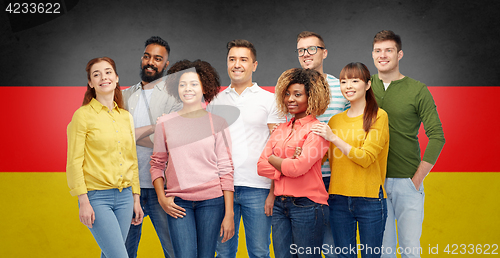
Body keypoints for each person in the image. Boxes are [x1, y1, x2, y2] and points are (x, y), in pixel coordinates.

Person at [370, 30, 445, 258]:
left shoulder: (418, 90)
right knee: (383, 251)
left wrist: (417, 179)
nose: (382, 55)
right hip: (374, 183)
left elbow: (437, 136)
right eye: (377, 51)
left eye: (388, 50)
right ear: (373, 54)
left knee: (411, 249)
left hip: (407, 182)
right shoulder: (363, 85)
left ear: (399, 54)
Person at [207, 39, 285, 258]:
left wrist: (272, 191)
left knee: (259, 252)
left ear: (254, 65)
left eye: (243, 59)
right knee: (223, 252)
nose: (237, 64)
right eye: (232, 59)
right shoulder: (216, 101)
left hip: (258, 188)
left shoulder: (270, 100)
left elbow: (277, 148)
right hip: (222, 189)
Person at [150, 60, 235, 258]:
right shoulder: (165, 122)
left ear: (204, 87)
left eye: (194, 84)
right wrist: (162, 198)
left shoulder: (218, 123)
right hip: (178, 202)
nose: (188, 89)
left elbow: (226, 168)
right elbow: (157, 165)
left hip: (212, 202)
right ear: (176, 88)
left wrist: (229, 213)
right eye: (182, 84)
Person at [66, 57, 144, 258]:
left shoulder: (125, 117)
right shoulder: (82, 116)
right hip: (97, 198)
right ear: (91, 83)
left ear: (116, 78)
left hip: (126, 197)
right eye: (96, 74)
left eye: (108, 72)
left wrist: (136, 198)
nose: (104, 77)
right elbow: (74, 162)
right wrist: (83, 201)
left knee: (110, 254)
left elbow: (132, 160)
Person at [311, 62, 389, 258]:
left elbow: (366, 158)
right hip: (337, 199)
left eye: (355, 81)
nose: (349, 86)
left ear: (368, 85)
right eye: (344, 81)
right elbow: (321, 159)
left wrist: (334, 138)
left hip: (369, 198)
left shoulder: (378, 116)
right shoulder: (335, 121)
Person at [258, 68, 331, 258]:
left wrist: (275, 160)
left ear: (311, 97)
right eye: (288, 94)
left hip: (308, 205)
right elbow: (260, 165)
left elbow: (298, 167)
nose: (290, 99)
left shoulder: (317, 130)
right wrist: (287, 164)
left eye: (297, 94)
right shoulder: (281, 128)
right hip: (280, 205)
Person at [122, 36, 179, 258]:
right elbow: (111, 138)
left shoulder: (174, 97)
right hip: (128, 188)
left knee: (175, 251)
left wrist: (130, 136)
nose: (150, 62)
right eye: (147, 56)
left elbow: (168, 141)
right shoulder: (124, 96)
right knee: (121, 252)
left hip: (162, 190)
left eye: (157, 58)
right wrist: (151, 129)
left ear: (166, 64)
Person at [296, 31, 350, 257]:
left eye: (311, 49)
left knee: (334, 247)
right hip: (302, 179)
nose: (305, 54)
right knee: (305, 249)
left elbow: (352, 130)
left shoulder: (342, 89)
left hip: (334, 178)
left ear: (324, 52)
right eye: (301, 50)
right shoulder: (292, 90)